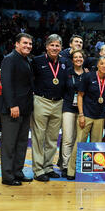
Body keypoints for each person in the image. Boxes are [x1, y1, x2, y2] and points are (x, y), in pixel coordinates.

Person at [66, 57, 105, 180]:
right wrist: (80, 115)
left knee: (97, 145)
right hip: (86, 115)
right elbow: (80, 96)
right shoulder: (88, 77)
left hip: (100, 116)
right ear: (97, 65)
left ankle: (93, 171)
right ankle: (71, 170)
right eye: (102, 63)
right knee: (80, 142)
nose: (104, 66)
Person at [31, 34, 67, 182]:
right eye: (52, 45)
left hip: (58, 103)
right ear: (46, 46)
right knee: (39, 137)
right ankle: (38, 170)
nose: (54, 48)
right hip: (41, 101)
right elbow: (30, 80)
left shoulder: (65, 62)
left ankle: (48, 167)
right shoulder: (37, 61)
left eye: (57, 45)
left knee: (52, 138)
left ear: (61, 47)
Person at [0, 33, 34, 186]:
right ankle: (7, 176)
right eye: (25, 43)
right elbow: (6, 84)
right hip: (12, 109)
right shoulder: (9, 59)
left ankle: (17, 172)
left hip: (25, 109)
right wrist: (12, 105)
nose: (28, 46)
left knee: (21, 143)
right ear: (16, 44)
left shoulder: (26, 61)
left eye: (30, 44)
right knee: (9, 144)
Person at [60, 49, 85, 178]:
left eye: (80, 57)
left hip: (81, 110)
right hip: (68, 108)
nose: (78, 59)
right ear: (72, 60)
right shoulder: (67, 73)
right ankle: (65, 166)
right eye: (76, 57)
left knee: (77, 139)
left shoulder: (87, 74)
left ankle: (74, 166)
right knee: (68, 139)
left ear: (83, 59)